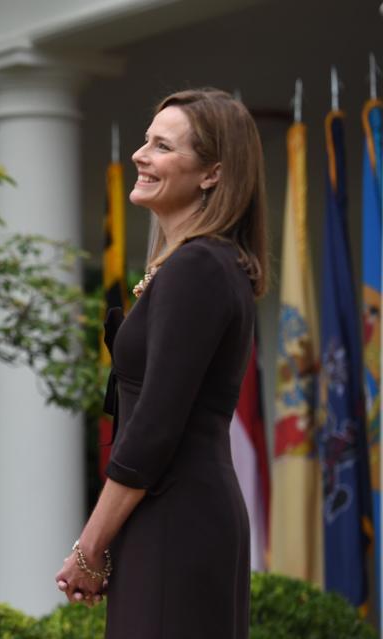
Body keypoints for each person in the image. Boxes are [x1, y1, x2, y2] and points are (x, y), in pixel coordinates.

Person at [55, 89, 267, 639]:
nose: (139, 156)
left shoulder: (199, 266)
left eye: (162, 146)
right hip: (164, 511)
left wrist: (89, 546)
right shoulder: (195, 263)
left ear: (211, 174)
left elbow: (153, 428)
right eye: (145, 141)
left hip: (177, 516)